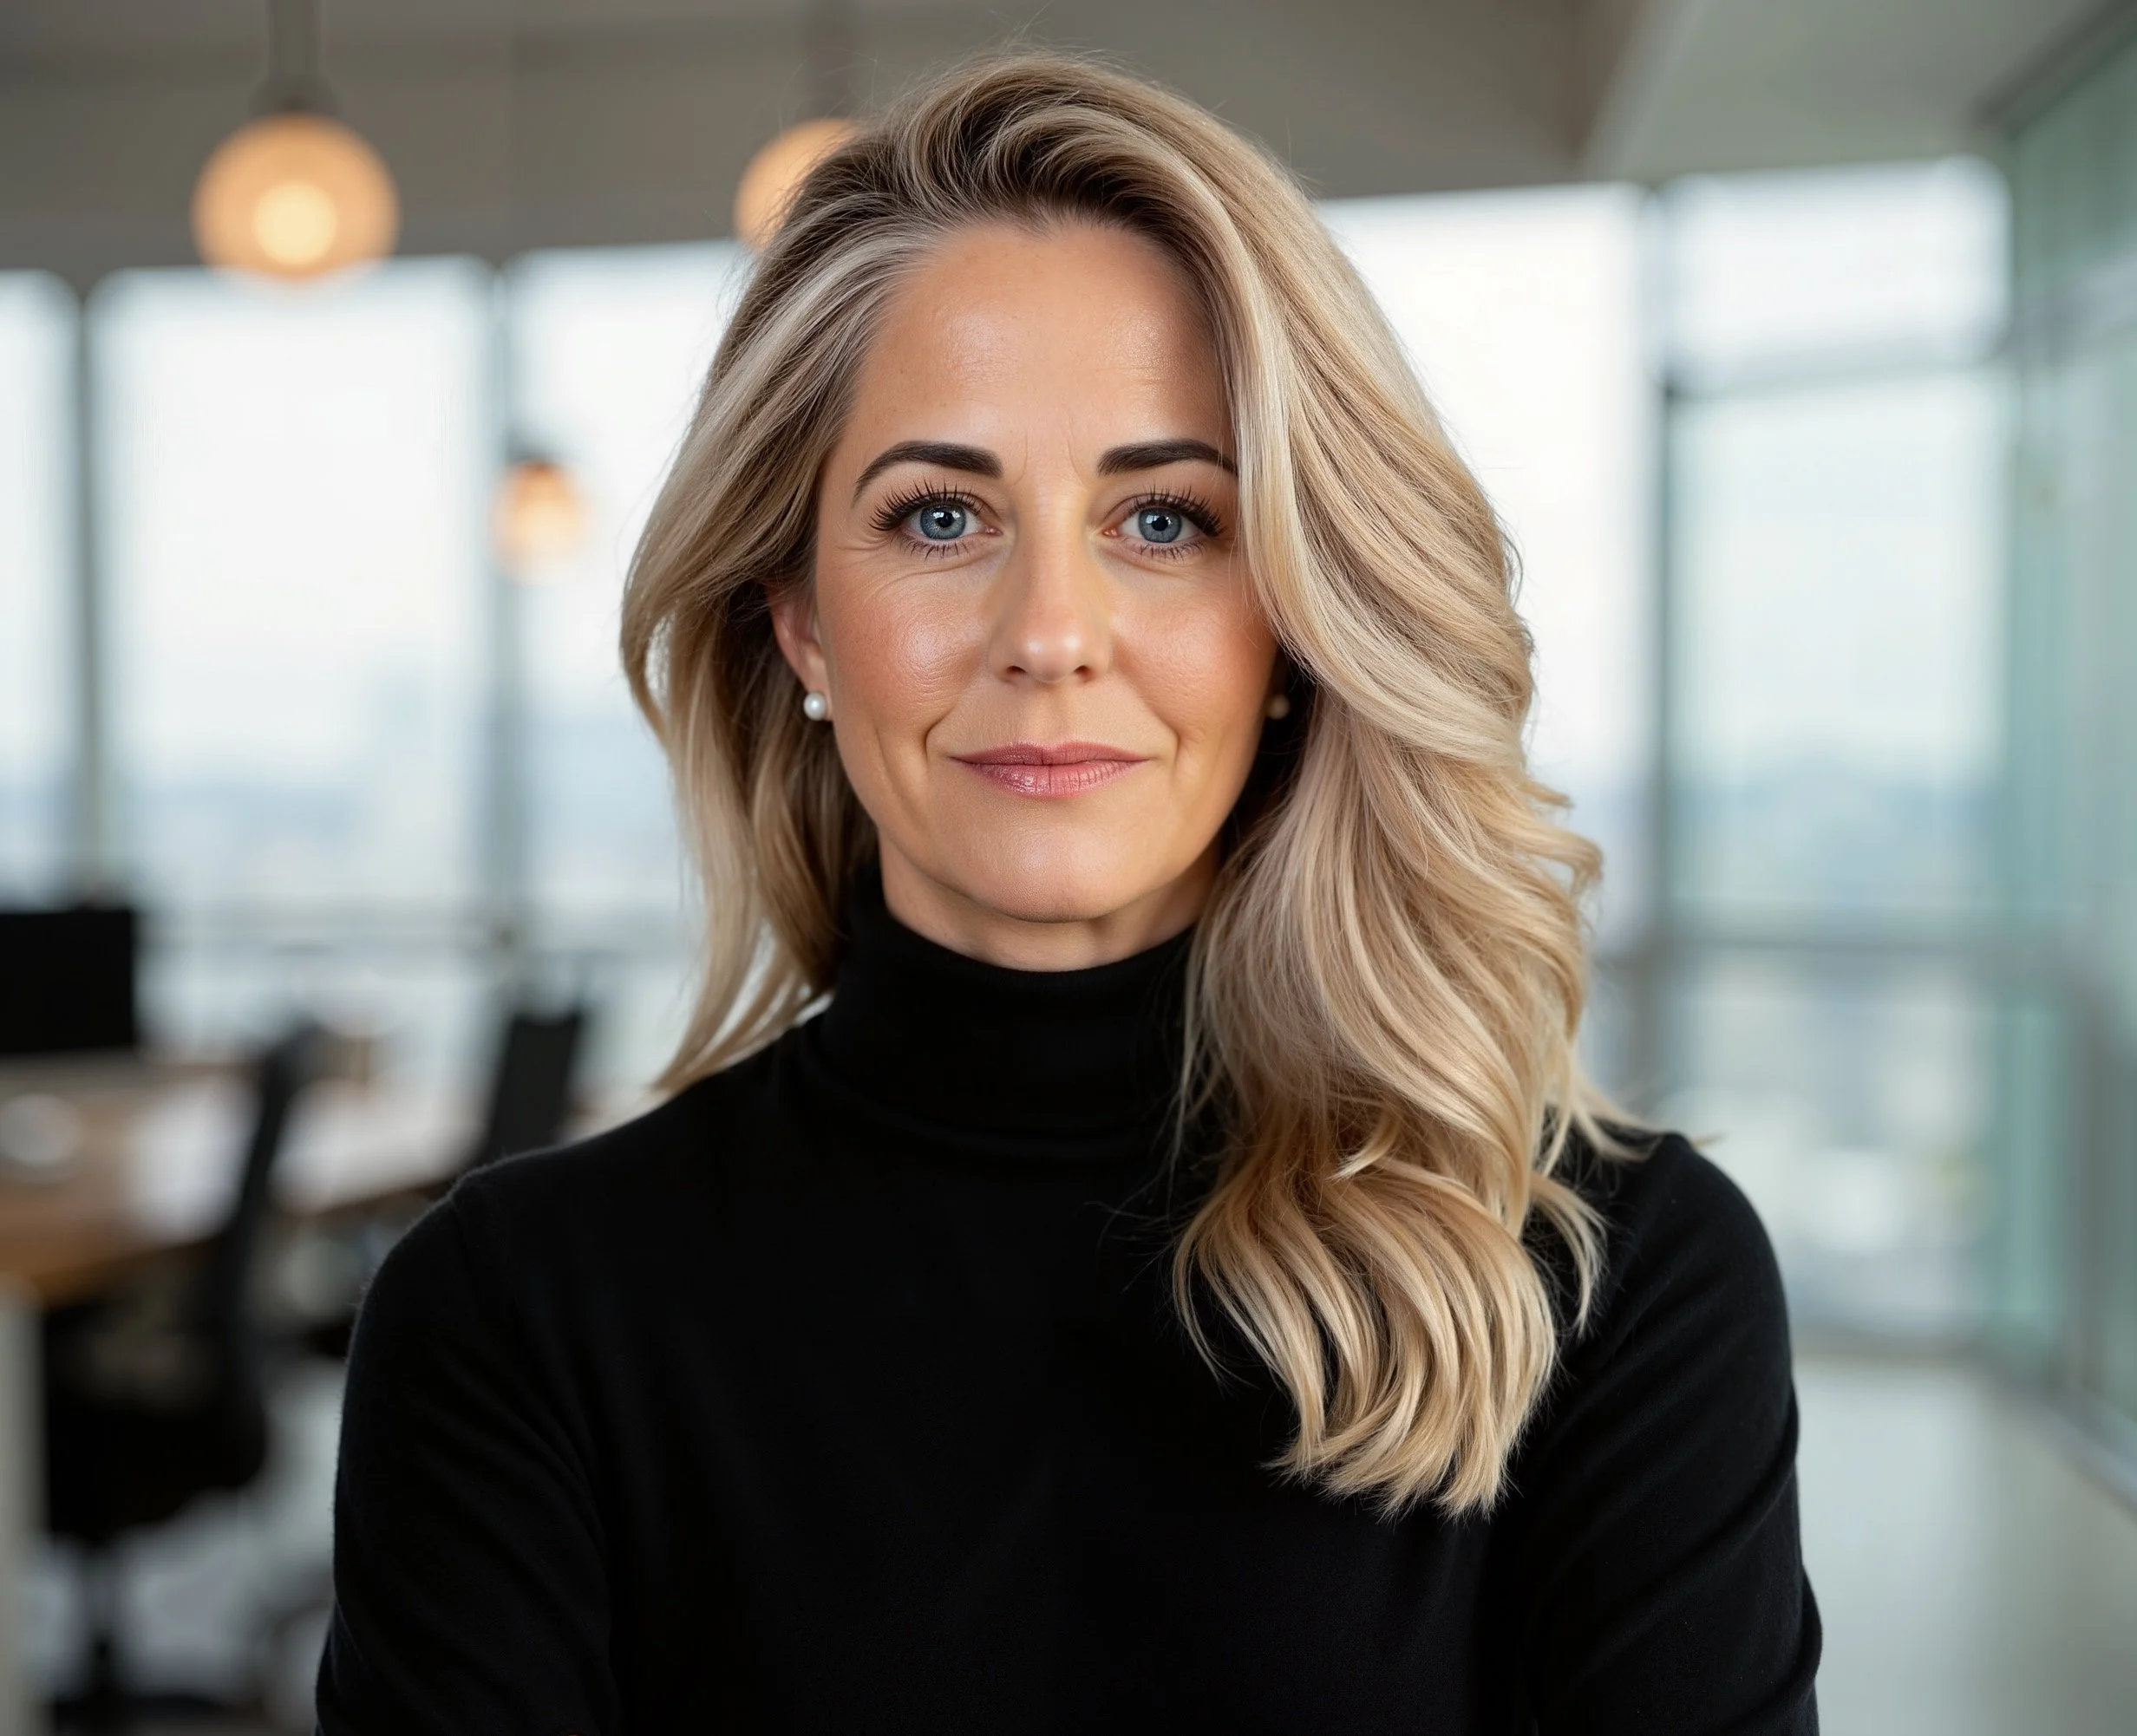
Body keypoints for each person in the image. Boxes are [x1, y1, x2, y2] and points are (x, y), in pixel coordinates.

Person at [317, 50, 1819, 1735]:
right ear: (801, 622)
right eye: (939, 516)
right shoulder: (514, 1317)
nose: (1049, 631)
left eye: (1163, 518)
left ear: (1296, 619)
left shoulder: (1617, 1283)